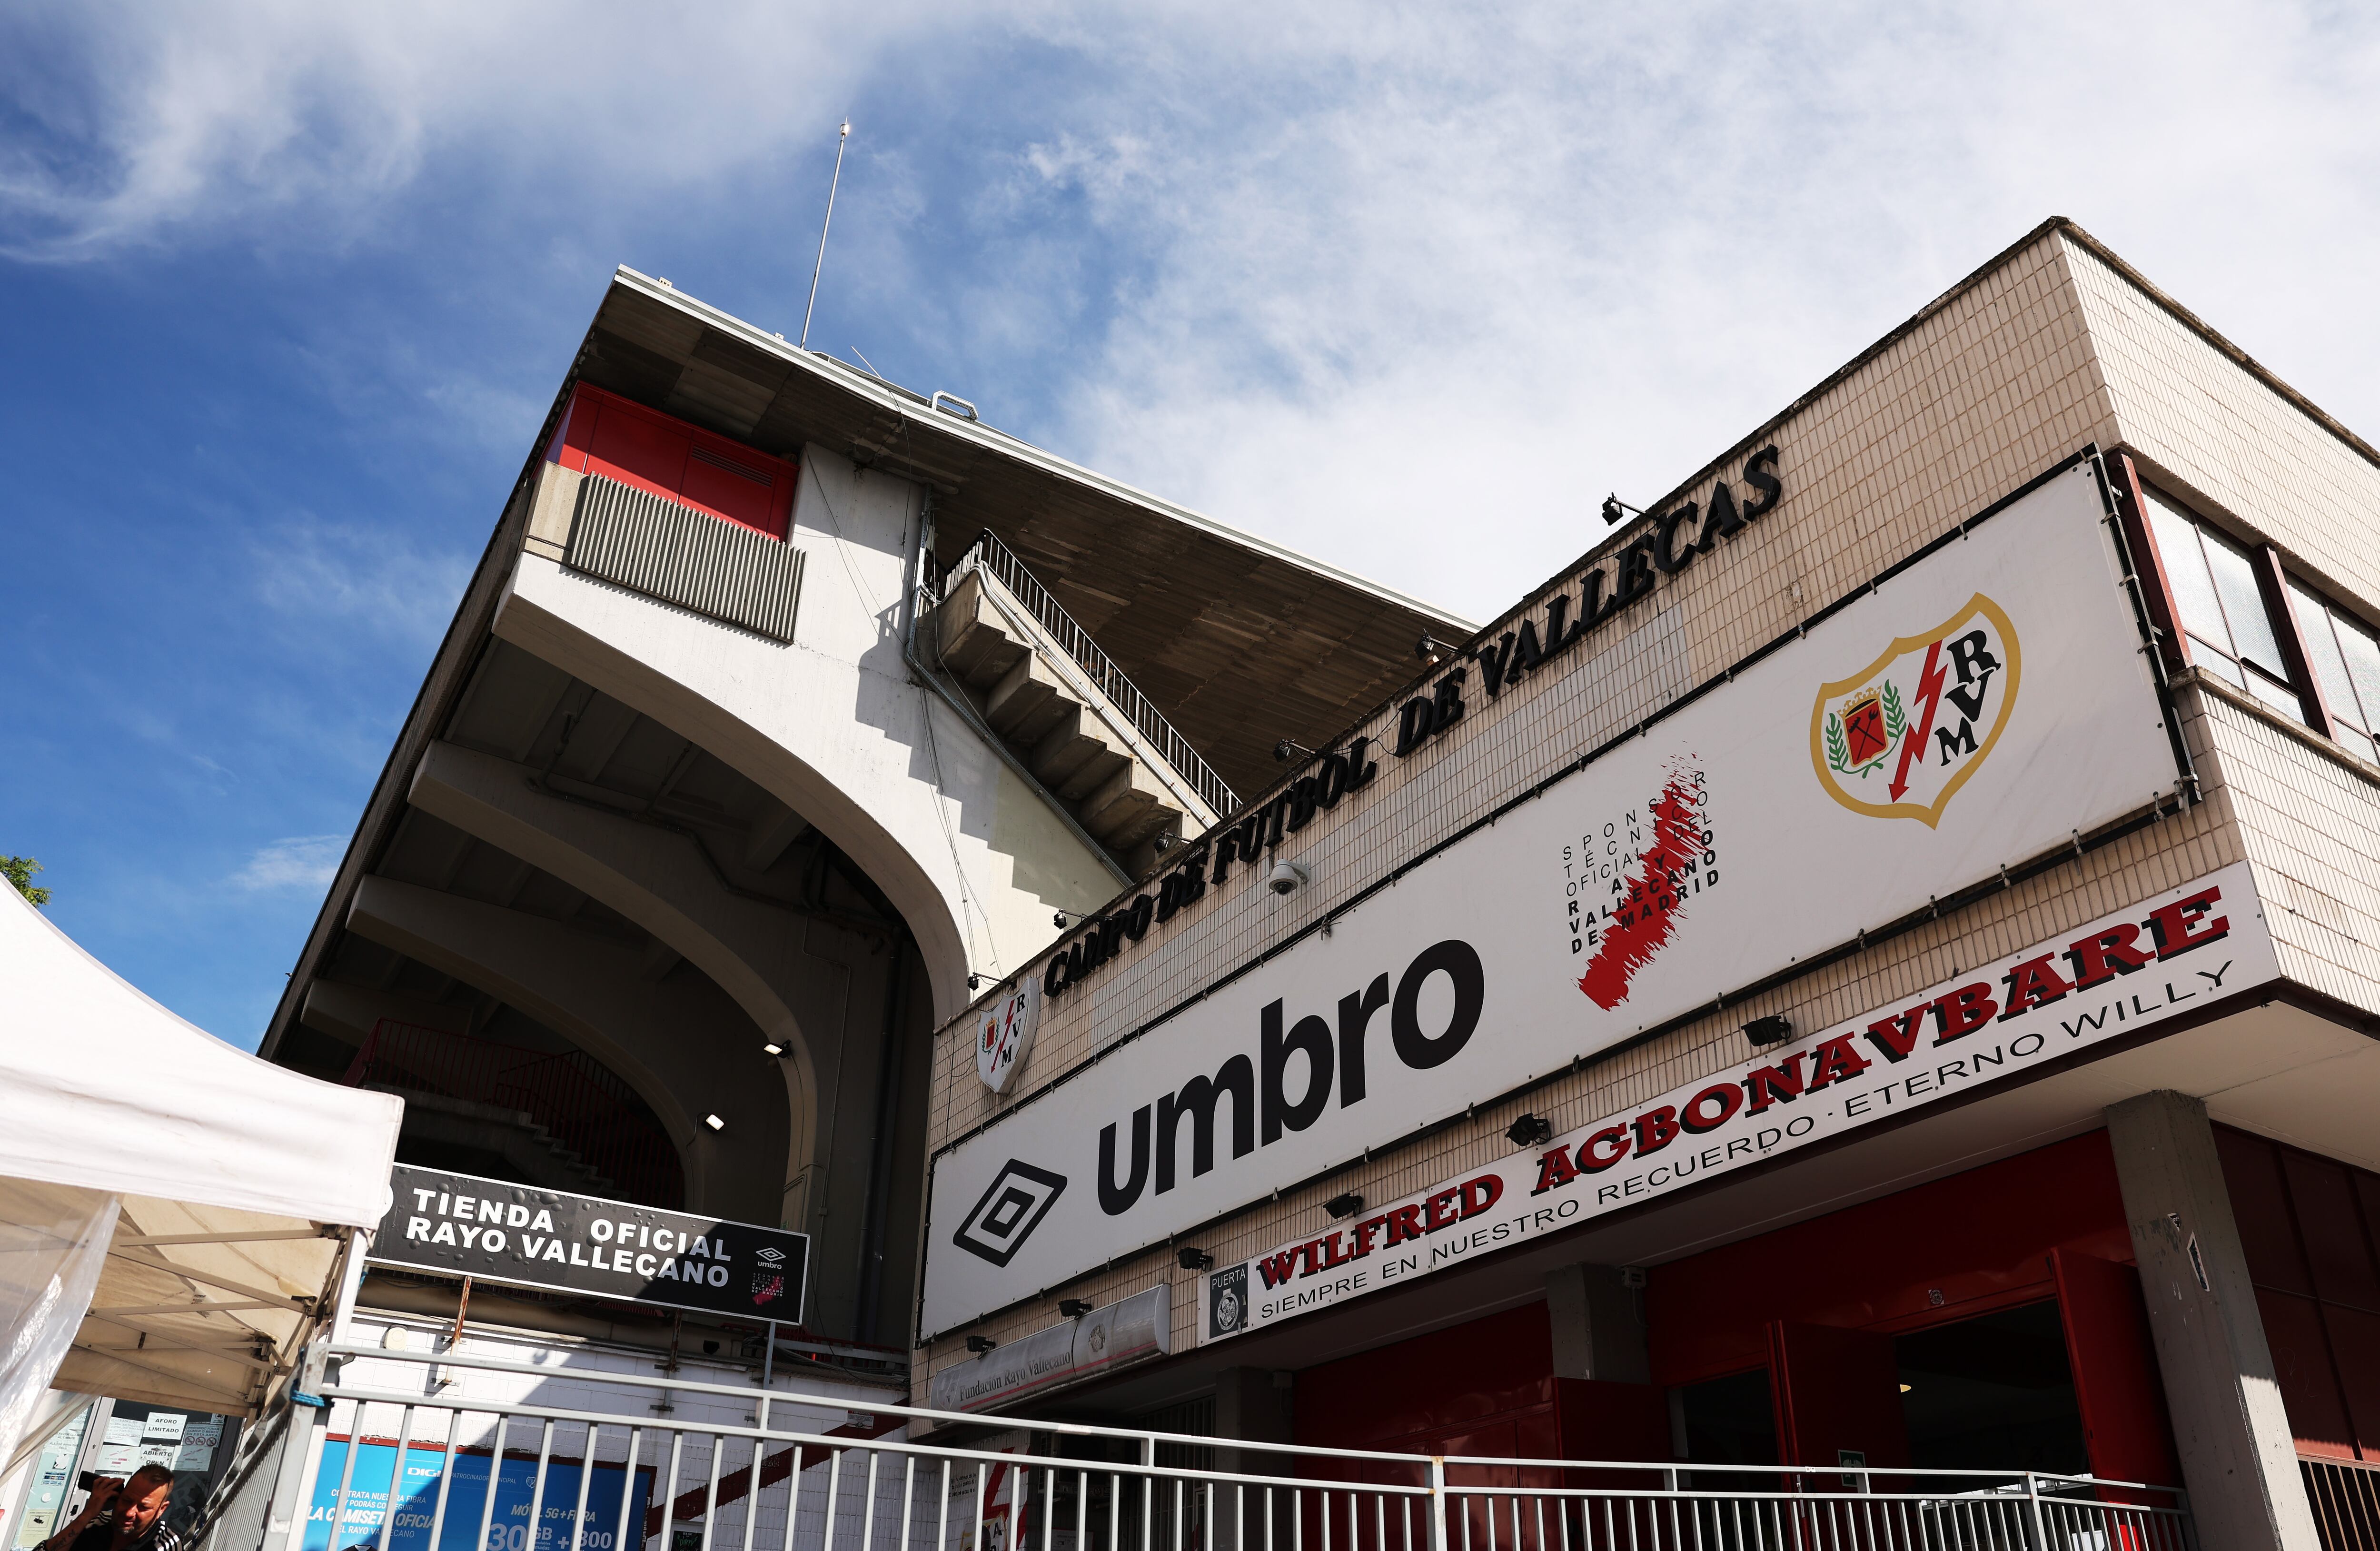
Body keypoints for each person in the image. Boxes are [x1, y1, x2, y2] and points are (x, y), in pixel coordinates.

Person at [40, 1465, 183, 1551]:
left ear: (162, 1510)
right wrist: (87, 1514)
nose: (129, 1512)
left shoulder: (165, 1545)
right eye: (126, 1501)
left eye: (143, 1508)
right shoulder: (96, 1523)